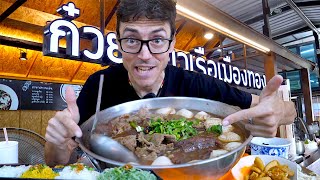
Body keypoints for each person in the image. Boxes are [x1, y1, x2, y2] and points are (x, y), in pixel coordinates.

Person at [45, 0, 296, 166]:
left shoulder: (197, 85)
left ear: (172, 44)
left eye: (157, 40)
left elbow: (289, 113)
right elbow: (56, 163)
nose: (145, 55)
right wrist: (57, 142)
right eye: (132, 40)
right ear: (119, 41)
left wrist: (276, 111)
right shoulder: (99, 85)